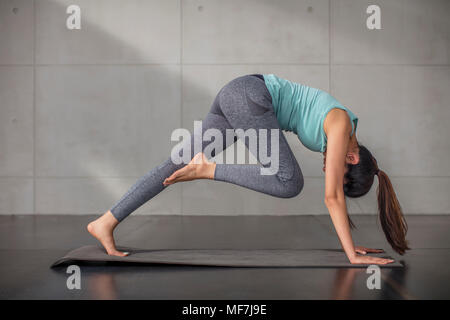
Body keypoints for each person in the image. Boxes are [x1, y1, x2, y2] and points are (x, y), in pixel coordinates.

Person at [87, 73, 409, 264]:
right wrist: (350, 254)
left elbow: (335, 192)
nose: (330, 170)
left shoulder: (340, 131)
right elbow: (332, 197)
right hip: (251, 98)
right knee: (290, 182)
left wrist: (350, 245)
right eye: (338, 170)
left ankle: (105, 222)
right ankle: (208, 169)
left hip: (239, 96)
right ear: (351, 159)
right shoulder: (341, 126)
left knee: (174, 167)